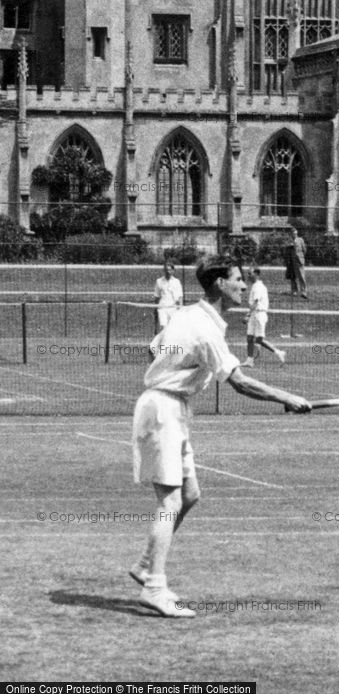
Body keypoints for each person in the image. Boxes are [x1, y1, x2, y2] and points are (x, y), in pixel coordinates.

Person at [130, 255, 311, 618]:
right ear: (219, 285)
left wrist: (179, 366)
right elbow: (239, 382)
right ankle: (154, 587)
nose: (244, 285)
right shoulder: (204, 328)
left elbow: (156, 347)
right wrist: (287, 397)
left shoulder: (188, 315)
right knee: (170, 504)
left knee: (190, 495)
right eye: (238, 279)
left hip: (172, 407)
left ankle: (146, 564)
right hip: (162, 410)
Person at [241, 267, 286, 368]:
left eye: (250, 273)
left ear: (256, 274)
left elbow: (256, 302)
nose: (248, 276)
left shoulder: (258, 287)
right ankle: (249, 361)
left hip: (259, 314)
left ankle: (278, 352)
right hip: (254, 314)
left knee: (259, 340)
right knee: (249, 337)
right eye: (248, 274)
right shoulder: (254, 286)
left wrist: (247, 315)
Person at [153, 261, 183, 329]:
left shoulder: (177, 282)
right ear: (164, 270)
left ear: (173, 271)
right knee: (164, 329)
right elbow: (156, 297)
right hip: (162, 308)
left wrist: (180, 309)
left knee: (173, 329)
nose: (168, 272)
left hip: (173, 308)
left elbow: (180, 297)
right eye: (166, 270)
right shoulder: (159, 281)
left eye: (170, 270)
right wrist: (155, 309)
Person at [285, 227, 307, 299]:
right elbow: (286, 251)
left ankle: (303, 292)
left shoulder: (300, 240)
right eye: (293, 234)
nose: (295, 235)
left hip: (299, 261)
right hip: (291, 261)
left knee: (301, 276)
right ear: (291, 234)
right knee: (292, 277)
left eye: (296, 233)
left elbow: (304, 250)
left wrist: (300, 257)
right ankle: (294, 291)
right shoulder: (289, 241)